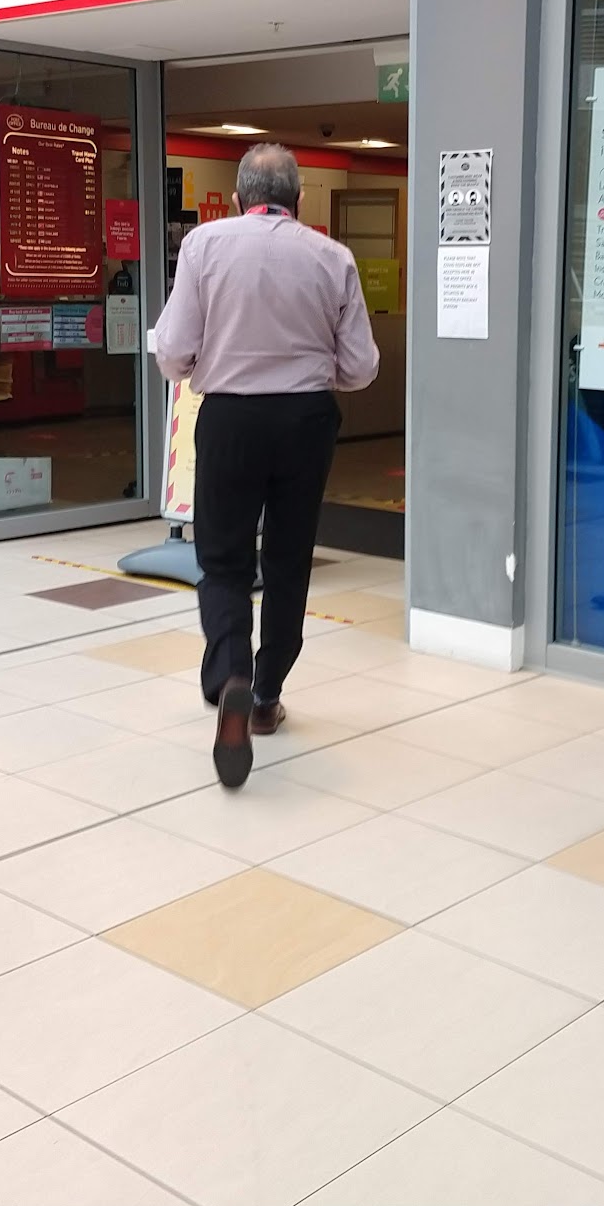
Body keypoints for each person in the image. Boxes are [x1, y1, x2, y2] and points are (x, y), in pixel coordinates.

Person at [155, 144, 380, 788]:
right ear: (299, 199)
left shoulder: (204, 246)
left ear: (236, 198)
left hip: (228, 416)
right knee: (287, 560)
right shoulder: (332, 256)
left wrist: (199, 368)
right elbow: (361, 366)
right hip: (307, 421)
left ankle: (231, 673)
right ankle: (265, 695)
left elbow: (173, 348)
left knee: (223, 560)